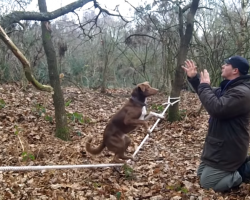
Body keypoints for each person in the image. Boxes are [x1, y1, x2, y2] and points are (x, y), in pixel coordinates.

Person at [182, 55, 250, 192]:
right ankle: (237, 167)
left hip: (230, 148)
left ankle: (243, 172)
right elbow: (208, 94)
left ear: (235, 70)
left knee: (208, 184)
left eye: (226, 64)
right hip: (219, 145)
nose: (223, 66)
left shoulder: (243, 93)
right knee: (201, 175)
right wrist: (195, 79)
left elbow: (217, 108)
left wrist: (204, 85)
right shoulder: (230, 88)